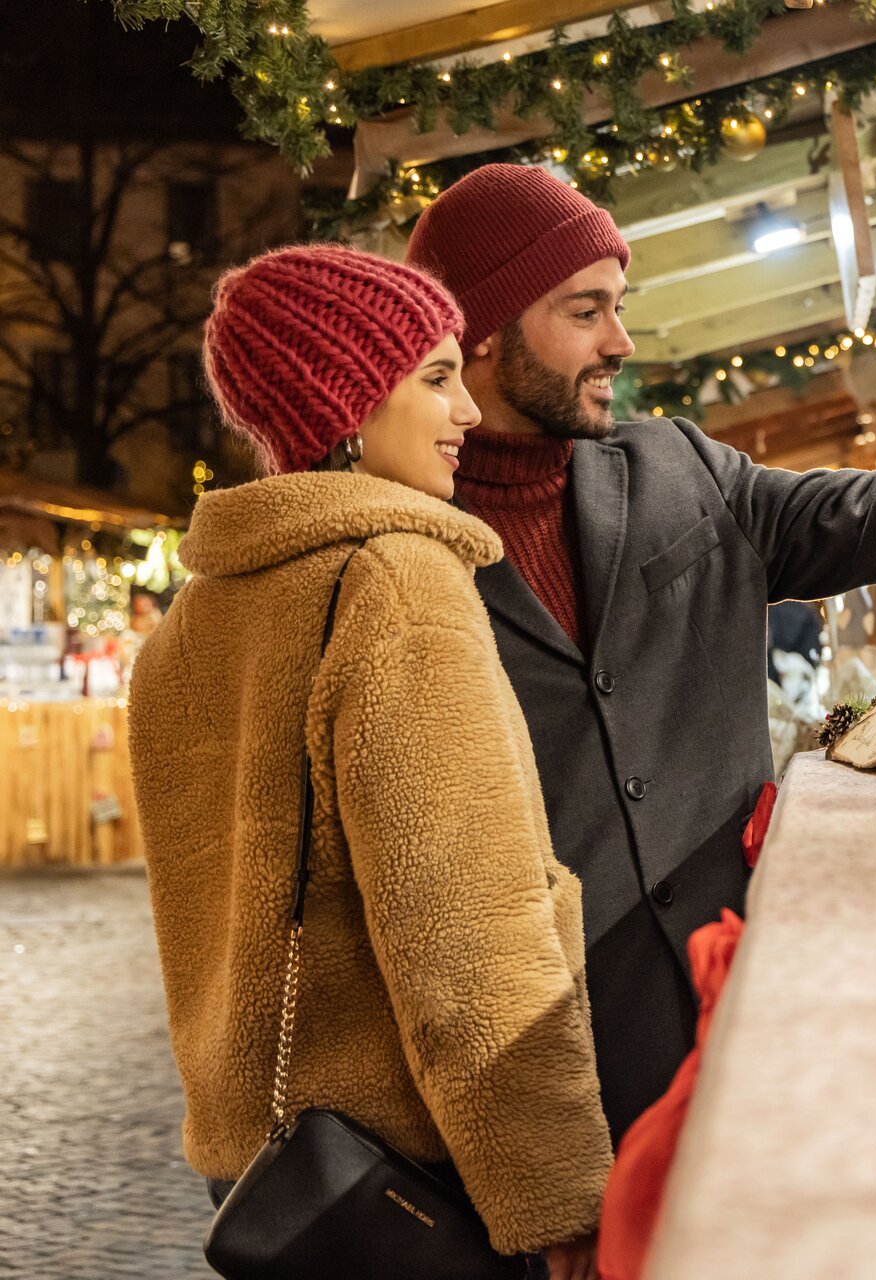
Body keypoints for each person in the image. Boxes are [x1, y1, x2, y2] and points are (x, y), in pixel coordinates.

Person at [406, 164, 876, 1143]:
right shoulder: (398, 544)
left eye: (618, 307)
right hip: (546, 1049)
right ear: (482, 331)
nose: (620, 342)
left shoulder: (678, 465)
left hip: (740, 985)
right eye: (585, 311)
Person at [128, 245, 612, 1280]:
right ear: (343, 406)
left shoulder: (188, 626)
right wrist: (557, 1189)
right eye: (435, 378)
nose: (468, 411)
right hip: (421, 1178)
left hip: (271, 1173)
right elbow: (467, 938)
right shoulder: (395, 580)